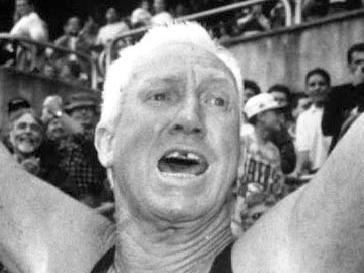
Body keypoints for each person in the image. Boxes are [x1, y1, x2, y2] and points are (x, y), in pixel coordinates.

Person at [3, 22, 364, 273]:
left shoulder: (293, 257)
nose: (190, 117)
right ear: (107, 141)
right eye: (160, 95)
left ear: (238, 156)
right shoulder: (65, 256)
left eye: (217, 101)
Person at [232, 93, 286, 237]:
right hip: (241, 220)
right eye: (275, 113)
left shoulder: (273, 150)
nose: (279, 118)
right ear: (261, 115)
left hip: (266, 221)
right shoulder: (243, 143)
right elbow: (238, 181)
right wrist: (238, 212)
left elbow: (278, 190)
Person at [322, 42, 364, 151]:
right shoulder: (337, 94)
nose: (363, 66)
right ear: (350, 66)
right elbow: (328, 128)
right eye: (358, 62)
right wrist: (359, 86)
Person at [293, 68, 332, 176]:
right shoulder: (304, 118)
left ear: (329, 88)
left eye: (322, 84)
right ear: (306, 90)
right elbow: (304, 153)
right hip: (314, 175)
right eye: (312, 85)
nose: (317, 88)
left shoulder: (338, 113)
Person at [267, 84, 296, 174]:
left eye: (282, 100)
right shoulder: (263, 126)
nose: (278, 103)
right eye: (274, 99)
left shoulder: (295, 124)